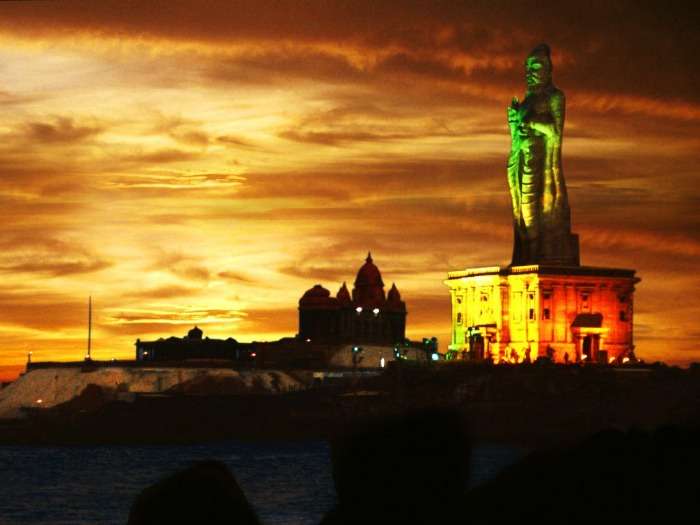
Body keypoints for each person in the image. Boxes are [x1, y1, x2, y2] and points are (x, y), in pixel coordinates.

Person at [507, 44, 578, 266]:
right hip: (522, 160)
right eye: (527, 68)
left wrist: (532, 122)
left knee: (536, 212)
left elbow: (556, 133)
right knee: (523, 215)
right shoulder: (527, 100)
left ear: (548, 69)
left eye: (535, 67)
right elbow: (517, 137)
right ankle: (527, 256)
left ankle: (538, 255)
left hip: (541, 164)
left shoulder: (555, 97)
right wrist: (513, 122)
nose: (530, 73)